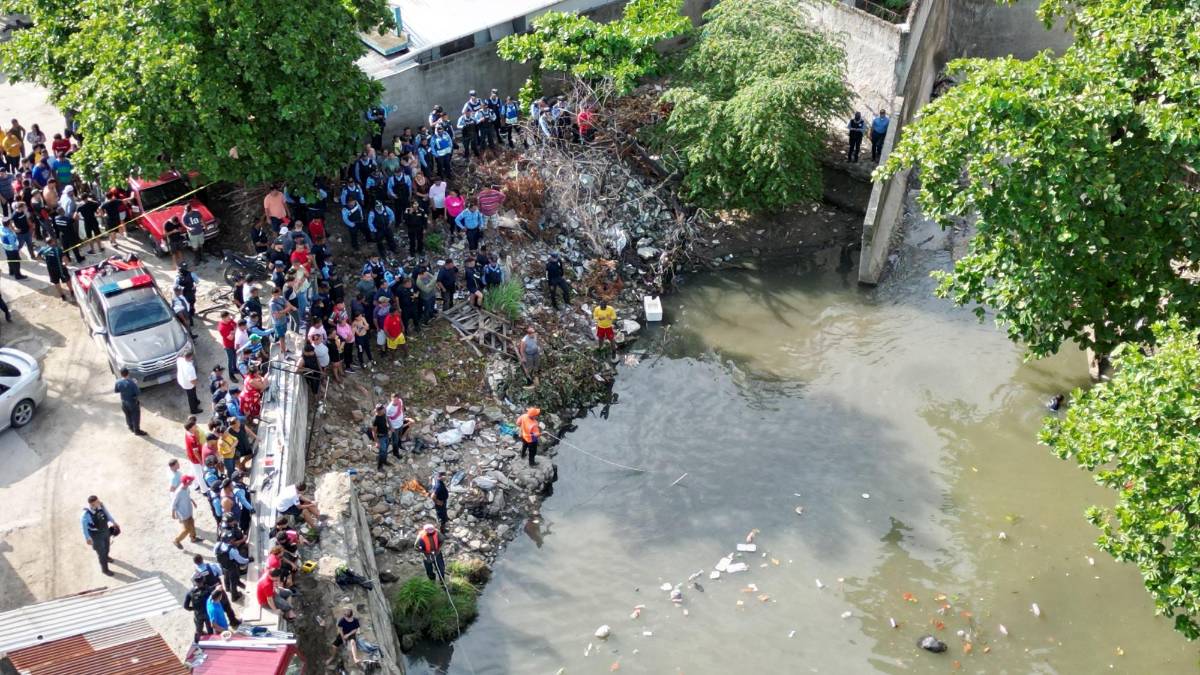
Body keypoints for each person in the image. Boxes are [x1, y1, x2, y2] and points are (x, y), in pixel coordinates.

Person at [81, 495, 118, 575]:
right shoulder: (85, 515)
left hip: (105, 531)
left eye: (98, 501)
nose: (99, 502)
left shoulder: (100, 506)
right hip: (96, 535)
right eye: (97, 502)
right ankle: (105, 570)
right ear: (92, 504)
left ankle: (107, 557)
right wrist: (87, 538)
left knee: (107, 547)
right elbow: (84, 528)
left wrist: (114, 522)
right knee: (101, 553)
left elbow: (107, 514)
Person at [36, 235, 70, 301]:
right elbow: (65, 259)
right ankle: (72, 291)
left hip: (51, 270)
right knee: (67, 280)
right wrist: (66, 264)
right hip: (60, 268)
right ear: (53, 242)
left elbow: (38, 257)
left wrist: (44, 259)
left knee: (56, 283)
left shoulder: (42, 249)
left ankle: (62, 295)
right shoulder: (58, 249)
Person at [113, 368, 146, 435]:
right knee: (135, 416)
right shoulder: (132, 383)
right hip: (132, 402)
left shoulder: (118, 382)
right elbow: (138, 393)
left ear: (121, 374)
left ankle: (130, 427)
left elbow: (116, 391)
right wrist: (135, 384)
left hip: (123, 402)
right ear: (128, 374)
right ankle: (137, 430)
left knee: (127, 415)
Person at [172, 476, 202, 548]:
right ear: (187, 482)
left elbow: (188, 496)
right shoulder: (178, 492)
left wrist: (192, 501)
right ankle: (176, 540)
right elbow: (173, 503)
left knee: (192, 522)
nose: (192, 482)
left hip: (188, 510)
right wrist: (173, 514)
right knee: (186, 529)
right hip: (183, 513)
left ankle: (193, 538)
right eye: (190, 481)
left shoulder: (187, 488)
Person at [183, 579, 214, 643]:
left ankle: (197, 642)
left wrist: (194, 608)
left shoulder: (190, 592)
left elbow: (186, 606)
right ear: (203, 581)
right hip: (207, 613)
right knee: (210, 629)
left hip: (198, 614)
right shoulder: (208, 589)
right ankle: (211, 642)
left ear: (195, 583)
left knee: (198, 630)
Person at [178, 350, 203, 415]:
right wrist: (195, 384)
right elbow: (192, 380)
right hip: (188, 384)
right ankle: (193, 410)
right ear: (190, 357)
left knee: (193, 393)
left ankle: (196, 401)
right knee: (191, 396)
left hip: (182, 379)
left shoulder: (180, 360)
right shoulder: (189, 368)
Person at [370, 403, 392, 470]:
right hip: (381, 437)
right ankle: (379, 467)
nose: (384, 410)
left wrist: (390, 427)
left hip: (386, 435)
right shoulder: (375, 419)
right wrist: (377, 442)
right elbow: (373, 431)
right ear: (379, 411)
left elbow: (387, 420)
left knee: (385, 450)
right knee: (382, 452)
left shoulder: (383, 414)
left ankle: (384, 461)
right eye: (383, 409)